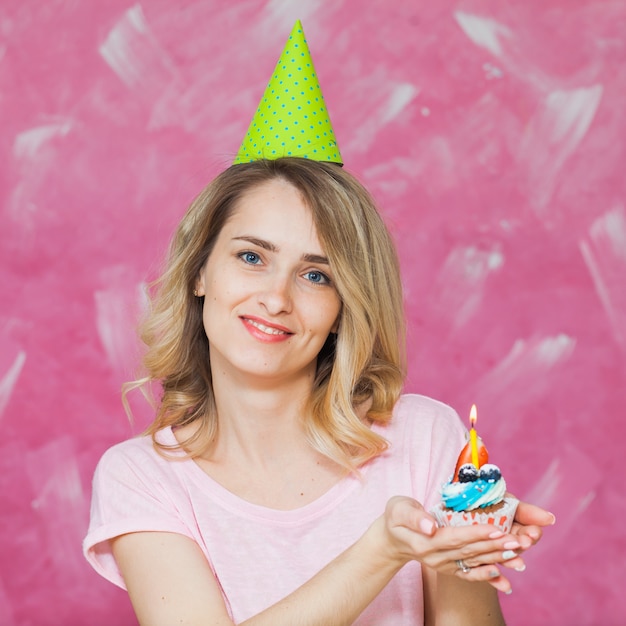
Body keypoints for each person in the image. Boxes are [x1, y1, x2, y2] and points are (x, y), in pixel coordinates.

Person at [83, 21, 555, 626]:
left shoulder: (425, 440)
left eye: (316, 275)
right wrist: (382, 550)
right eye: (251, 257)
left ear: (342, 307)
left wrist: (461, 551)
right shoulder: (142, 478)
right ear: (200, 271)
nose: (276, 298)